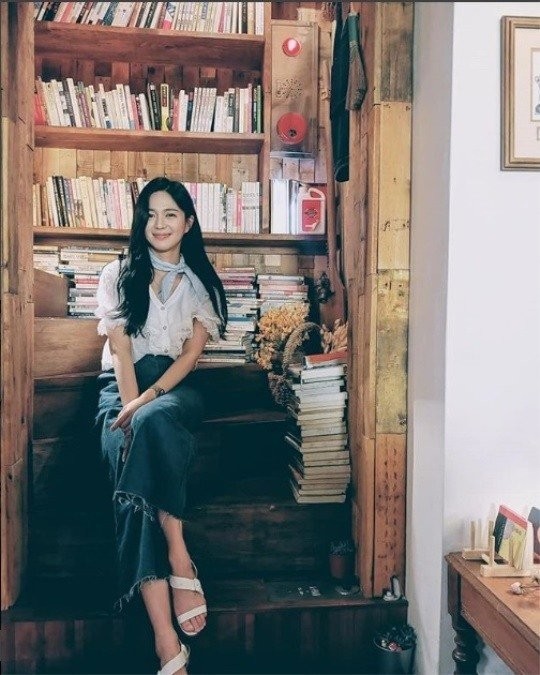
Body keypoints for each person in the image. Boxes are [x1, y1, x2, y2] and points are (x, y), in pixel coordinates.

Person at [94, 177, 227, 675]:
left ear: (188, 222)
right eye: (150, 214)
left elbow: (190, 357)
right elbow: (121, 349)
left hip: (173, 388)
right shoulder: (118, 273)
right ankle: (164, 632)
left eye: (170, 214)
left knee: (151, 423)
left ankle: (176, 551)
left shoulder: (199, 284)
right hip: (119, 387)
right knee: (128, 452)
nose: (159, 224)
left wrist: (147, 402)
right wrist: (130, 408)